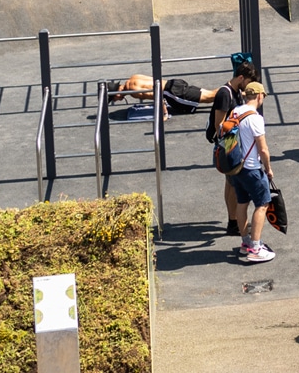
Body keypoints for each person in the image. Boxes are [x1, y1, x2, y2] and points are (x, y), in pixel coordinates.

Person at [203, 61, 259, 237]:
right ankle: (234, 222)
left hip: (230, 142)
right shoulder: (224, 94)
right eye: (247, 82)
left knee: (230, 183)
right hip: (227, 143)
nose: (247, 87)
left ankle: (232, 220)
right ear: (240, 78)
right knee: (235, 184)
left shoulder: (235, 91)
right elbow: (219, 125)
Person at [223, 81, 276, 263]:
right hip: (252, 168)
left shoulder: (235, 111)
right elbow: (263, 149)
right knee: (262, 204)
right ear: (260, 96)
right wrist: (268, 169)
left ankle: (245, 242)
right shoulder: (256, 118)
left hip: (236, 168)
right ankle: (255, 246)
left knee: (242, 202)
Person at [108, 75, 219, 117]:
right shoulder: (133, 78)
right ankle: (233, 90)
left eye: (114, 99)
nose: (117, 101)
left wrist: (164, 113)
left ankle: (233, 90)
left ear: (116, 94)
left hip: (173, 92)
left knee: (210, 98)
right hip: (173, 83)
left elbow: (157, 94)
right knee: (210, 94)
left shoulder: (133, 91)